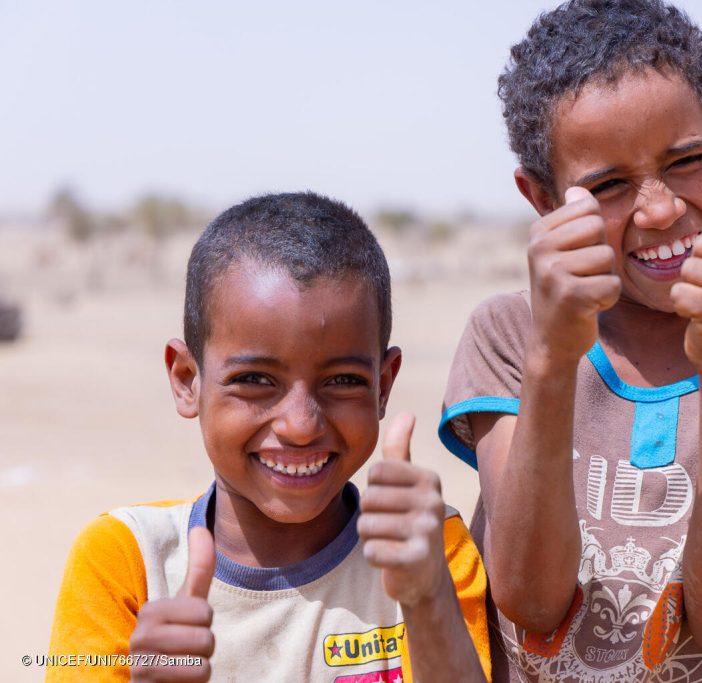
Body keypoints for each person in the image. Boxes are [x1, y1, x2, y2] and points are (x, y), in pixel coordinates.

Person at [438, 0, 702, 680]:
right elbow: (530, 599)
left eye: (687, 159)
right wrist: (551, 359)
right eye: (607, 185)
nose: (660, 208)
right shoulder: (511, 336)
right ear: (542, 197)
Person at [48, 192, 490, 682]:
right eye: (255, 380)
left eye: (342, 380)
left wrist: (427, 598)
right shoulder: (128, 562)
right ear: (187, 379)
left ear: (383, 385)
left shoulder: (427, 550)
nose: (300, 425)